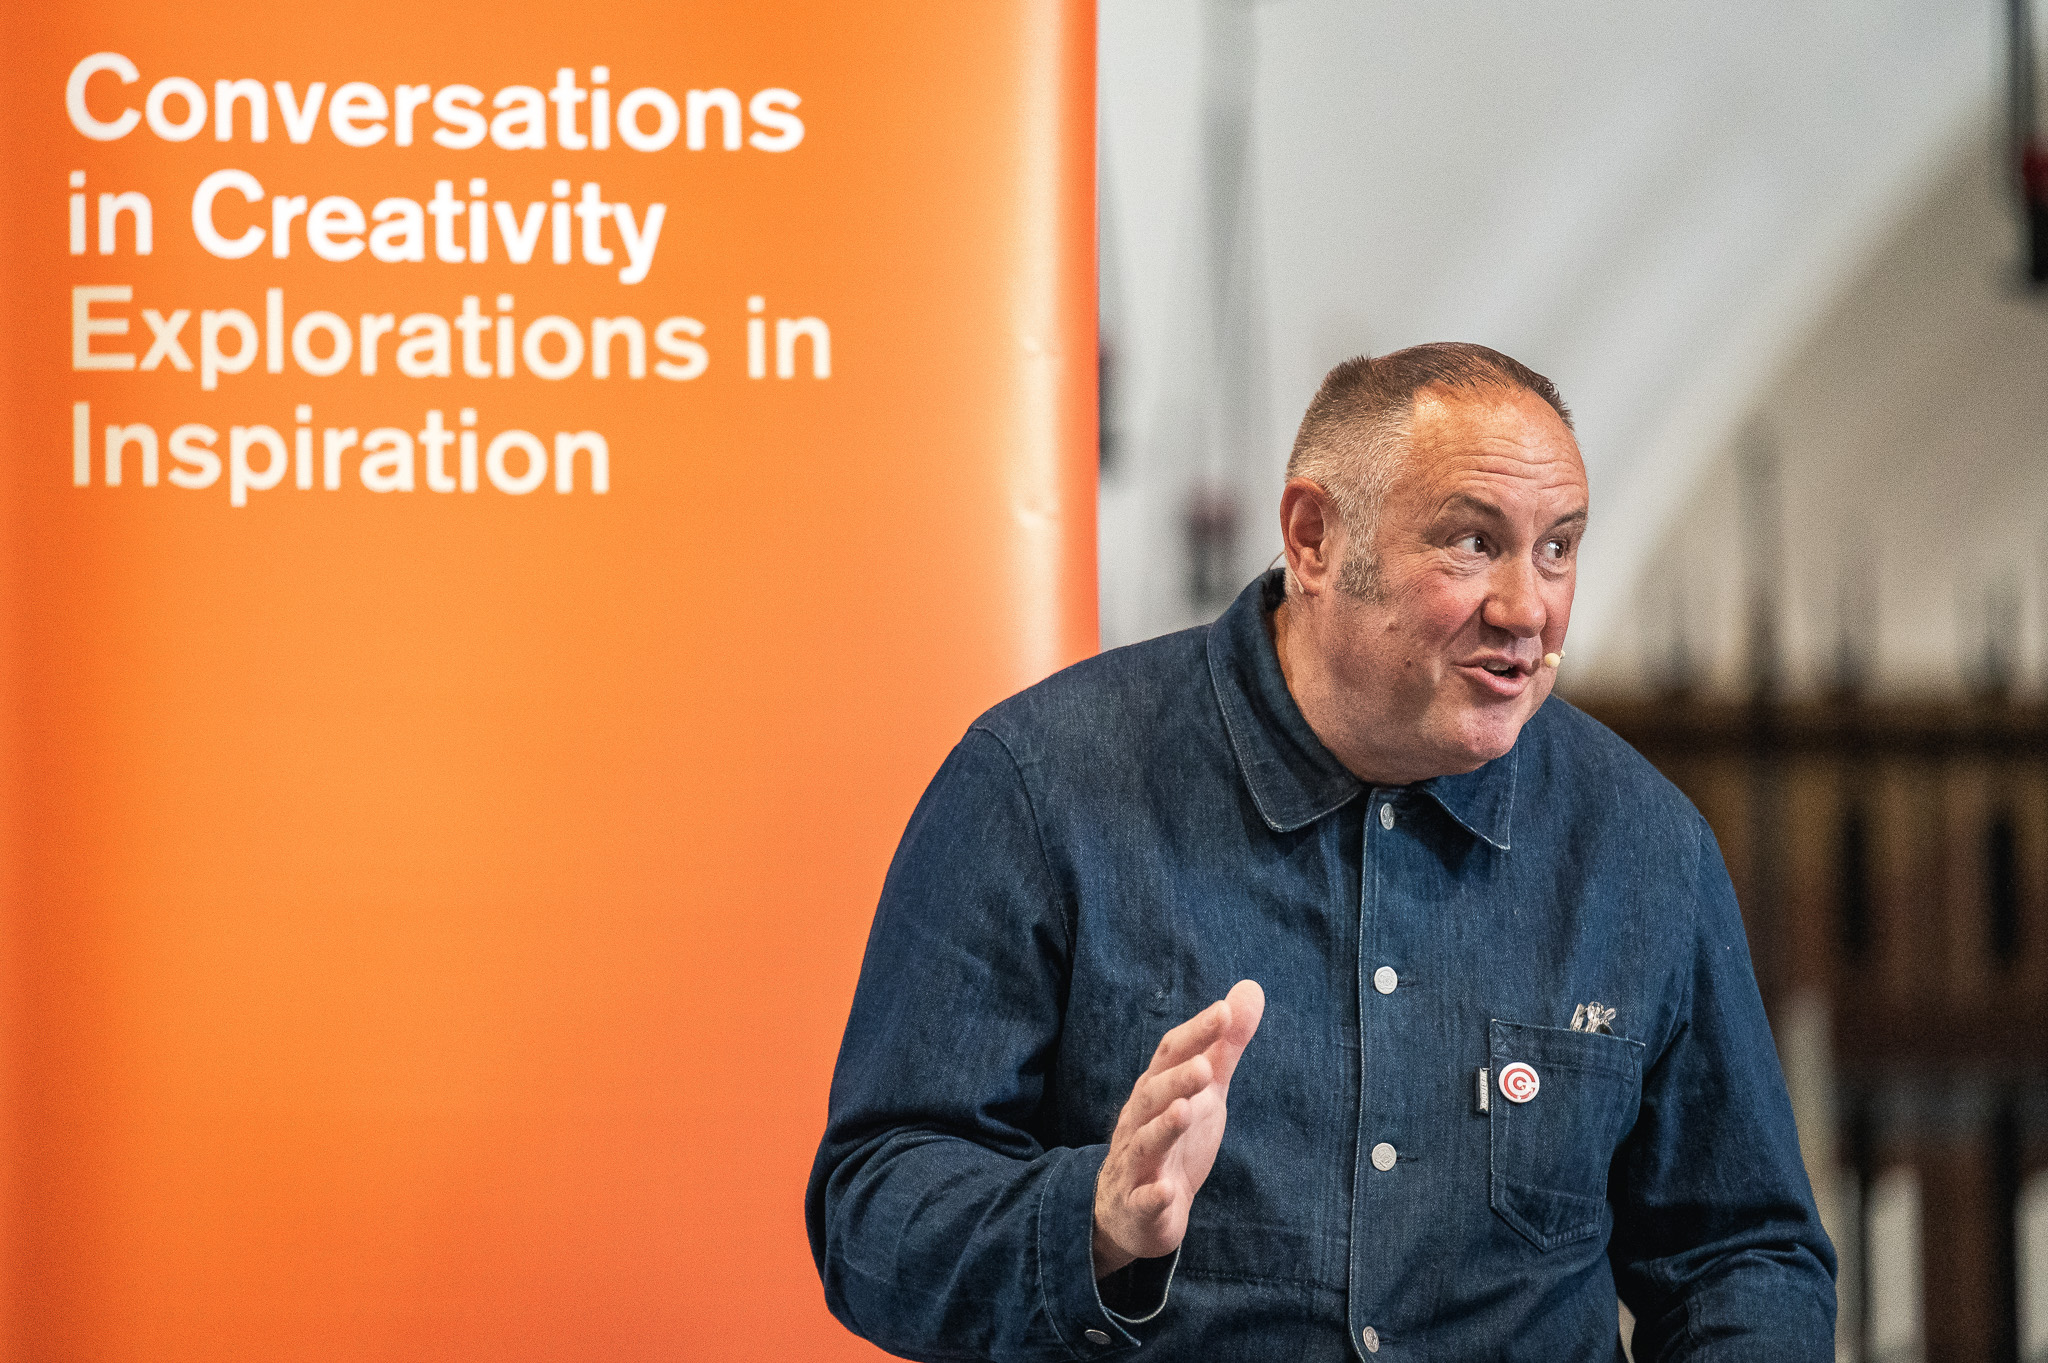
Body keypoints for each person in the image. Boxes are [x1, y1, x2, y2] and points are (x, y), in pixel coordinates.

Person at [807, 344, 1836, 1361]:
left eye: (1556, 547)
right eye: (1472, 543)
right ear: (1310, 539)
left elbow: (1739, 1253)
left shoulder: (1642, 845)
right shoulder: (1038, 788)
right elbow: (873, 1211)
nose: (1528, 608)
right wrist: (1097, 1222)